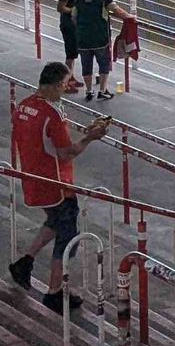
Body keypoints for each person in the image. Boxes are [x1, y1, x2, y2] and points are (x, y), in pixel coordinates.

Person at [9, 62, 111, 311]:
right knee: (67, 235)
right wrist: (90, 137)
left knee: (55, 222)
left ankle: (25, 261)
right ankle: (55, 291)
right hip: (56, 184)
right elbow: (66, 152)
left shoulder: (23, 107)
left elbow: (44, 138)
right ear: (56, 86)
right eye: (66, 85)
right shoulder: (52, 115)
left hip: (32, 177)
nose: (68, 88)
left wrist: (82, 131)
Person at [74, 0, 116, 100]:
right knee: (104, 65)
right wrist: (130, 17)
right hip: (100, 40)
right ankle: (102, 90)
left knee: (86, 66)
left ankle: (89, 91)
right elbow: (116, 10)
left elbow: (73, 17)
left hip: (83, 39)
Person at [57, 0, 85, 86]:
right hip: (67, 26)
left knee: (72, 54)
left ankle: (70, 78)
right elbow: (60, 8)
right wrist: (74, 11)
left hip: (72, 25)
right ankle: (66, 81)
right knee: (70, 54)